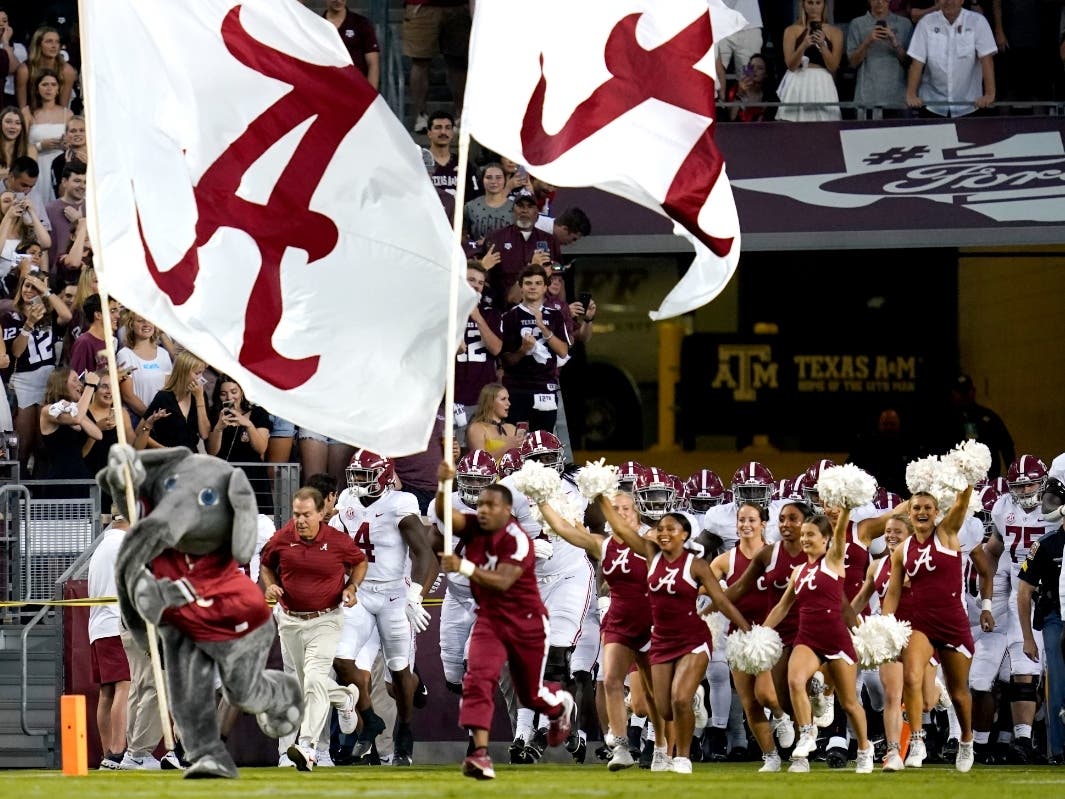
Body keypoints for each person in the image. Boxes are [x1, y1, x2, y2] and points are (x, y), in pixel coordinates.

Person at [435, 460, 575, 781]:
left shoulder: (520, 539)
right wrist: (443, 485)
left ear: (507, 510)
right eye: (480, 504)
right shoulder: (475, 525)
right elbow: (445, 516)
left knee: (531, 696)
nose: (482, 510)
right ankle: (479, 754)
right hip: (490, 619)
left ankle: (560, 708)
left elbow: (502, 581)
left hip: (526, 622)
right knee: (477, 678)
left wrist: (463, 566)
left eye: (490, 505)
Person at [596, 493, 750, 774]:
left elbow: (723, 601)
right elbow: (619, 528)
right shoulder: (651, 555)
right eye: (662, 529)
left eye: (672, 529)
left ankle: (682, 757)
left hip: (693, 638)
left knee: (678, 699)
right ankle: (691, 704)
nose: (664, 533)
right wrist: (599, 496)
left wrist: (747, 629)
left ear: (685, 535)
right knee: (661, 707)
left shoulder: (697, 565)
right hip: (661, 639)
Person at [535, 491, 666, 771]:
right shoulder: (603, 545)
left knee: (646, 701)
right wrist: (541, 499)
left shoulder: (651, 541)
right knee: (611, 681)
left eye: (626, 509)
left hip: (650, 623)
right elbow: (564, 531)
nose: (621, 513)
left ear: (637, 512)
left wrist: (602, 500)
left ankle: (662, 745)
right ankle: (620, 746)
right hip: (618, 622)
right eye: (615, 508)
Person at [328, 449, 438, 766]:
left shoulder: (399, 504)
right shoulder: (348, 500)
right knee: (343, 660)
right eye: (356, 475)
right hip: (360, 593)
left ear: (385, 477)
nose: (359, 482)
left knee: (398, 674)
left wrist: (416, 593)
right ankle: (370, 721)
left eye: (366, 475)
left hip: (393, 595)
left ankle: (404, 726)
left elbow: (424, 554)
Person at [259, 487, 368, 772]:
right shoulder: (283, 538)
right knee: (305, 683)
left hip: (326, 619)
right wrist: (270, 583)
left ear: (322, 513)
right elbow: (266, 563)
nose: (301, 520)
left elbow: (359, 562)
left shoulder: (337, 540)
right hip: (291, 620)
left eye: (307, 514)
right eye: (296, 514)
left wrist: (352, 587)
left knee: (314, 680)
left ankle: (306, 746)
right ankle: (345, 698)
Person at [764, 510, 875, 774]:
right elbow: (782, 607)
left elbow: (839, 536)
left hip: (836, 637)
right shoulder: (799, 571)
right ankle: (805, 738)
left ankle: (864, 748)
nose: (804, 539)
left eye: (810, 535)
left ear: (825, 539)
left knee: (849, 702)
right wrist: (760, 632)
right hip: (808, 637)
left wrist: (845, 509)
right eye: (803, 535)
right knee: (794, 680)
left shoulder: (834, 561)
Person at [881, 486, 978, 772]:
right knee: (911, 677)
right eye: (916, 508)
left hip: (952, 621)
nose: (922, 512)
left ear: (936, 513)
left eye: (927, 508)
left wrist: (968, 480)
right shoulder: (903, 550)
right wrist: (886, 625)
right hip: (921, 622)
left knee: (959, 693)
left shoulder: (946, 533)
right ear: (909, 514)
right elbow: (894, 593)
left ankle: (967, 739)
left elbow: (961, 504)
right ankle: (918, 741)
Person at [708, 502, 793, 772]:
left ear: (763, 523)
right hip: (738, 637)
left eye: (752, 520)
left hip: (769, 634)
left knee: (767, 694)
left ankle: (780, 716)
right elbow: (701, 585)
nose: (746, 525)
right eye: (741, 520)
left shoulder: (775, 555)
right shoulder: (725, 560)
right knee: (749, 702)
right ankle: (770, 756)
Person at [990, 455, 1058, 762]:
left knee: (1054, 670)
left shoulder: (1057, 506)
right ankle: (1023, 740)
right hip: (1021, 590)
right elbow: (994, 548)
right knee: (1023, 669)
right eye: (1019, 486)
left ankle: (1048, 735)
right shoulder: (1003, 507)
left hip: (1055, 590)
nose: (1026, 490)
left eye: (1031, 483)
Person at [1, 268, 70, 470]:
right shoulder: (9, 316)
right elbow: (16, 352)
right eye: (27, 285)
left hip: (48, 382)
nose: (29, 290)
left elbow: (66, 315)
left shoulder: (50, 316)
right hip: (23, 381)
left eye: (35, 287)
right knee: (22, 445)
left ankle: (41, 494)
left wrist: (46, 291)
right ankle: (17, 494)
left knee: (43, 445)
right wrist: (29, 324)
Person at [1018, 478, 1064, 763]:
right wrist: (1026, 637)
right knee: (1058, 685)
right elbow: (1024, 593)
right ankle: (1058, 750)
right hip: (1055, 619)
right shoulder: (1046, 545)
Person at [499, 264, 571, 433]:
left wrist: (543, 328)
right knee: (514, 444)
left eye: (538, 283)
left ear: (545, 287)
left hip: (545, 387)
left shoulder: (555, 315)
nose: (533, 287)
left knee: (542, 444)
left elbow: (563, 351)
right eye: (528, 283)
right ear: (521, 286)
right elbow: (506, 361)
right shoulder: (509, 317)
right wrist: (523, 350)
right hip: (516, 389)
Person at [87, 514, 131, 770]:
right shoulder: (122, 545)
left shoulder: (102, 546)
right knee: (124, 687)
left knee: (107, 691)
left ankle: (108, 754)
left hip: (98, 627)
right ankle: (117, 752)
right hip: (116, 624)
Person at [906, 0, 996, 116]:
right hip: (932, 104)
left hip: (970, 104)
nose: (948, 2)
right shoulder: (926, 22)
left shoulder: (977, 21)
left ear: (962, 1)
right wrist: (911, 94)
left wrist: (989, 94)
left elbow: (986, 59)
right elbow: (917, 62)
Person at [483, 193, 562, 306]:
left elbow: (559, 269)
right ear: (513, 211)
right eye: (520, 206)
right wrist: (533, 267)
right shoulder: (496, 238)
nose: (524, 210)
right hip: (502, 306)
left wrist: (553, 267)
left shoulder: (549, 240)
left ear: (537, 214)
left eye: (530, 206)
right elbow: (484, 274)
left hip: (540, 307)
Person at [207, 375, 272, 512]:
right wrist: (219, 427)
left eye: (234, 392)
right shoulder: (215, 414)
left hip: (252, 477)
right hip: (224, 477)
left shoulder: (258, 413)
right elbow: (212, 452)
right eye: (223, 394)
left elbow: (261, 448)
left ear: (242, 391)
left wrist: (247, 424)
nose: (229, 397)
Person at [403, 1, 470, 135]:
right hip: (421, 6)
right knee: (420, 61)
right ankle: (420, 116)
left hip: (458, 7)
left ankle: (462, 116)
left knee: (459, 62)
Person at [454, 261, 502, 440]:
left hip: (483, 398)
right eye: (471, 280)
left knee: (483, 457)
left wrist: (477, 317)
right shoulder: (445, 310)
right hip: (452, 397)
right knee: (454, 453)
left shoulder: (490, 314)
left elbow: (496, 348)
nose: (476, 285)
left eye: (480, 283)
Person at [777, 0, 844, 122]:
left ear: (824, 5)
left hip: (822, 82)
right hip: (798, 80)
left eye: (818, 3)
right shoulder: (791, 30)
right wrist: (803, 45)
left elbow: (833, 66)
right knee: (793, 125)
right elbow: (791, 66)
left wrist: (822, 45)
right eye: (810, 3)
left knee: (825, 126)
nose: (814, 7)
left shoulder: (836, 32)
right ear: (803, 5)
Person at [847, 0, 912, 116]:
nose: (879, 2)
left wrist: (895, 42)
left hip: (898, 99)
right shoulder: (857, 24)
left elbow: (910, 63)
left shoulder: (905, 24)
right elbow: (852, 63)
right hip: (866, 98)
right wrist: (867, 42)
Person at [136, 349, 209, 452]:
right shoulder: (163, 397)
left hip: (191, 458)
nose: (201, 378)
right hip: (166, 459)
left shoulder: (200, 395)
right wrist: (164, 449)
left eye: (202, 373)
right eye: (197, 373)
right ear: (183, 372)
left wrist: (200, 398)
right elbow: (140, 431)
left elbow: (205, 434)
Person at [945, 374, 1014, 478]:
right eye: (960, 392)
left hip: (988, 480)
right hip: (956, 481)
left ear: (973, 391)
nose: (964, 396)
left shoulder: (989, 417)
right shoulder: (945, 421)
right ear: (953, 393)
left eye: (966, 391)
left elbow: (1007, 447)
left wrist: (1013, 476)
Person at [22, 68, 71, 209]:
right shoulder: (27, 112)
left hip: (60, 164)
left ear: (58, 89)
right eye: (45, 84)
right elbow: (19, 145)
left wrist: (67, 144)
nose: (49, 88)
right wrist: (40, 146)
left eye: (53, 85)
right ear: (37, 88)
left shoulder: (67, 114)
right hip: (36, 163)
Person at [115, 312, 173, 423]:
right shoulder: (124, 354)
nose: (146, 324)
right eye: (140, 321)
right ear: (131, 325)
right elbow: (128, 396)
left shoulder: (163, 354)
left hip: (162, 420)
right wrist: (151, 418)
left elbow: (168, 390)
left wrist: (161, 418)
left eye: (149, 320)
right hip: (137, 420)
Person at [15, 26, 77, 109]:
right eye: (49, 41)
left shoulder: (67, 71)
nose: (54, 46)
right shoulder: (24, 70)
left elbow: (63, 109)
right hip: (30, 116)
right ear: (38, 44)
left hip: (56, 116)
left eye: (57, 42)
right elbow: (22, 108)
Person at [322, 1, 379, 89]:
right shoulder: (317, 25)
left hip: (356, 90)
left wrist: (371, 97)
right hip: (327, 90)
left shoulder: (362, 23)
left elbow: (373, 64)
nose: (338, 0)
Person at [464, 382, 524, 460]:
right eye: (503, 399)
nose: (509, 403)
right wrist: (507, 447)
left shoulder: (512, 428)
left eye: (508, 399)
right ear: (490, 402)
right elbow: (480, 462)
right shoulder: (476, 428)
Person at [44, 157, 84, 271]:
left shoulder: (94, 208)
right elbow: (44, 250)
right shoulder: (49, 209)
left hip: (88, 277)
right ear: (64, 182)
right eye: (77, 181)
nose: (82, 186)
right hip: (57, 277)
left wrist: (79, 222)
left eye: (85, 182)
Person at [66, 292, 119, 376]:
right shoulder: (84, 342)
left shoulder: (110, 341)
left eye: (117, 311)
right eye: (112, 311)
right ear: (98, 315)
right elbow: (77, 381)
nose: (118, 316)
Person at [463, 163, 512, 242]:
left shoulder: (514, 207)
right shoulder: (471, 207)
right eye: (488, 177)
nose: (493, 181)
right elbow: (462, 234)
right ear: (482, 180)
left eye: (498, 178)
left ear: (505, 180)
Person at [726, 53, 779, 121]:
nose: (754, 70)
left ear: (766, 74)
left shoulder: (770, 97)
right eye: (752, 67)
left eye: (760, 68)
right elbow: (731, 119)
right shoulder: (735, 90)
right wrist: (740, 93)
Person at [0, 104, 36, 178]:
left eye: (17, 123)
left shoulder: (31, 150)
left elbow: (27, 176)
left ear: (22, 127)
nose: (12, 126)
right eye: (8, 122)